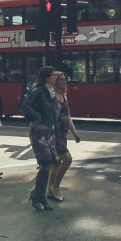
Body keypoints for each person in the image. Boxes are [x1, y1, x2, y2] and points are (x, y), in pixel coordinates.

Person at [20, 66, 60, 211]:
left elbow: (54, 115)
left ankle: (38, 194)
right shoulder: (38, 90)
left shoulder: (52, 92)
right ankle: (39, 196)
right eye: (53, 75)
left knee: (50, 164)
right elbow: (24, 105)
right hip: (38, 132)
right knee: (46, 164)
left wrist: (58, 135)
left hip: (50, 132)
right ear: (47, 77)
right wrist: (35, 116)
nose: (55, 77)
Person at [47, 73, 82, 202]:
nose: (64, 82)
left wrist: (74, 133)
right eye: (61, 80)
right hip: (54, 134)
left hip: (63, 133)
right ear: (55, 81)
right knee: (67, 159)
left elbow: (67, 116)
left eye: (64, 79)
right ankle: (55, 186)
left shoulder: (64, 97)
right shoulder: (52, 97)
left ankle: (50, 189)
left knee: (56, 163)